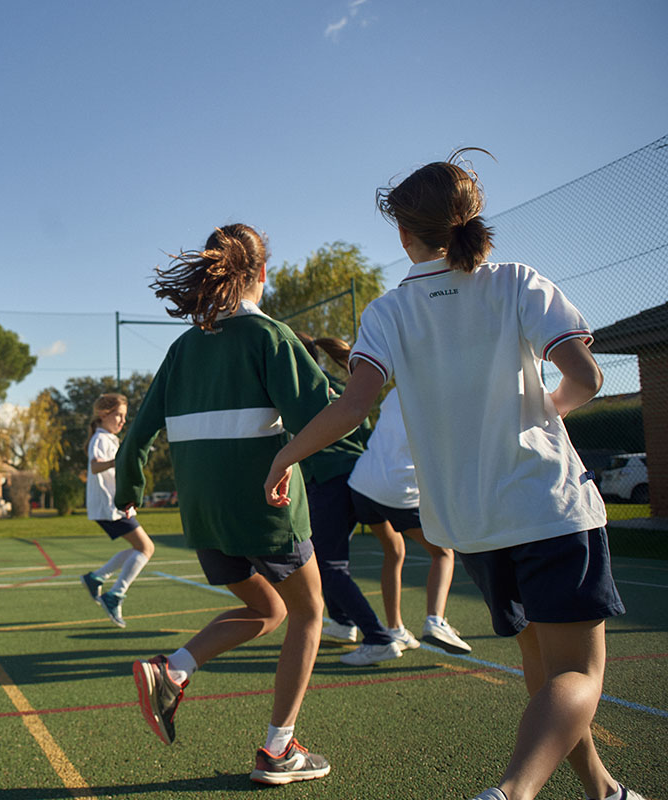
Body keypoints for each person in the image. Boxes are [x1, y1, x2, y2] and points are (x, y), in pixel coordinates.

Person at [264, 150, 641, 800]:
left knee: (541, 665)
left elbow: (352, 407)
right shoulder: (517, 282)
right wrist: (546, 410)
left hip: (470, 526)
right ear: (471, 218)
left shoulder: (388, 311)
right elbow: (587, 376)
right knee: (577, 674)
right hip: (547, 506)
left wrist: (285, 456)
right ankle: (513, 791)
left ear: (404, 234)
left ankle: (603, 790)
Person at [116, 224, 330, 786]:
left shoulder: (183, 347)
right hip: (263, 507)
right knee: (309, 613)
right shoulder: (271, 337)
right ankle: (279, 750)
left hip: (203, 515)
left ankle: (173, 670)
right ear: (262, 273)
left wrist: (127, 492)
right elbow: (324, 417)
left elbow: (138, 434)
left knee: (268, 611)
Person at [295, 334, 407, 665]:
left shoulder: (298, 389)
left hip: (329, 481)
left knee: (328, 565)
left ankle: (379, 638)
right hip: (358, 478)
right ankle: (344, 623)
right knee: (325, 556)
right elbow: (365, 429)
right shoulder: (337, 386)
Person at [346, 386, 472, 654]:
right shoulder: (448, 400)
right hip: (398, 491)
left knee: (394, 550)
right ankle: (435, 620)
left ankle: (395, 628)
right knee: (443, 553)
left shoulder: (398, 390)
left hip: (363, 484)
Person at [80, 393, 154, 628]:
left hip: (115, 505)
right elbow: (95, 466)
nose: (122, 421)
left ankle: (96, 578)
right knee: (146, 548)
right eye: (118, 415)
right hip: (109, 507)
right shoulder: (100, 438)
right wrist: (118, 461)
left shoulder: (110, 438)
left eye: (124, 416)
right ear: (104, 414)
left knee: (139, 548)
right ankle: (114, 594)